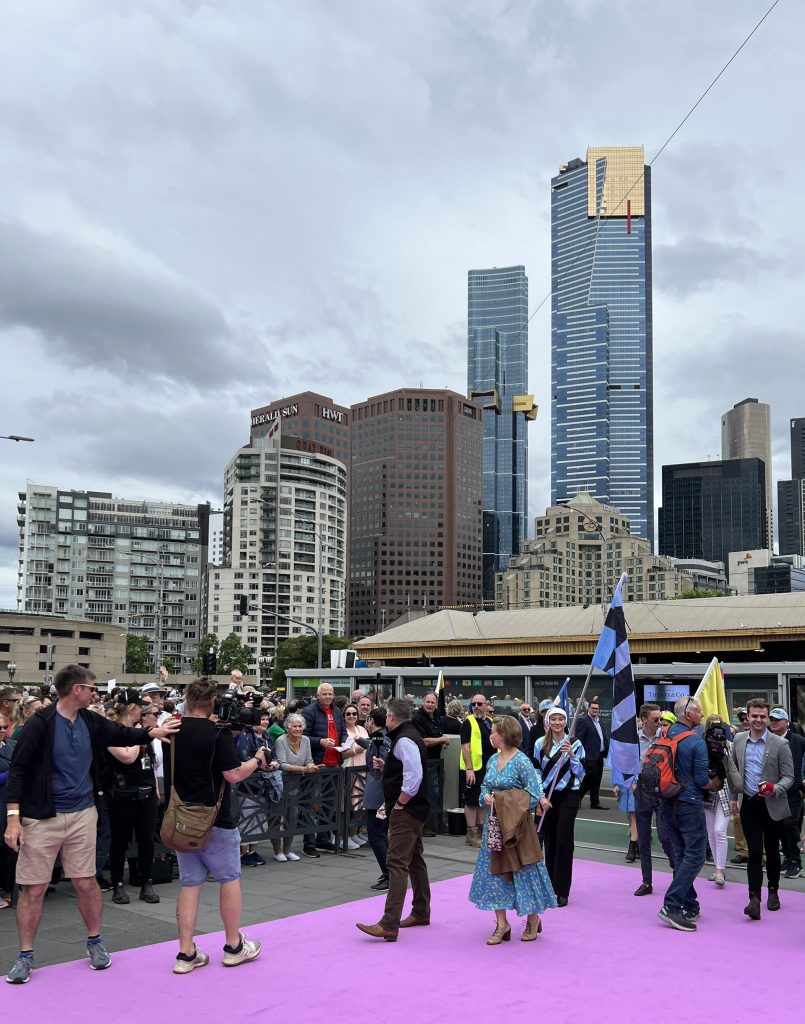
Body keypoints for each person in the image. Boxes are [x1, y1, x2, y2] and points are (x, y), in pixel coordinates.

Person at [3, 665, 179, 984]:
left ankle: (95, 942)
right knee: (34, 888)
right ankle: (25, 955)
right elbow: (18, 773)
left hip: (83, 813)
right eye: (90, 687)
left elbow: (119, 733)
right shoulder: (40, 725)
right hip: (42, 816)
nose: (94, 693)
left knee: (86, 882)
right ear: (76, 690)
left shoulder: (89, 720)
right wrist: (13, 819)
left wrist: (149, 733)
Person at [165, 676, 268, 974]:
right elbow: (234, 774)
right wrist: (257, 759)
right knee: (229, 879)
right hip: (216, 818)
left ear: (187, 699)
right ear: (212, 702)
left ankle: (185, 954)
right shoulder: (217, 733)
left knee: (189, 884)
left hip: (181, 819)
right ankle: (234, 946)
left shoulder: (172, 729)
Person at [468, 715, 556, 943]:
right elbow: (485, 785)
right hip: (494, 826)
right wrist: (486, 796)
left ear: (504, 735)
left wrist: (508, 800)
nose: (490, 735)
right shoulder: (491, 761)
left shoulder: (522, 761)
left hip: (517, 829)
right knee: (495, 873)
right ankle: (502, 924)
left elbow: (534, 792)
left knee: (524, 871)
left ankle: (533, 919)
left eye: (493, 732)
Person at [356, 699, 430, 941]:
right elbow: (409, 770)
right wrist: (388, 765)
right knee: (415, 860)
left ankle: (389, 923)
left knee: (397, 862)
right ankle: (421, 910)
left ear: (390, 717)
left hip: (406, 810)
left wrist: (400, 803)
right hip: (415, 809)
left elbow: (414, 776)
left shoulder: (404, 739)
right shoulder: (409, 735)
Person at [727, 697, 794, 920]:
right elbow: (734, 772)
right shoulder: (738, 740)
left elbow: (790, 777)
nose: (758, 720)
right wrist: (733, 798)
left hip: (772, 804)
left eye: (762, 716)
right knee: (754, 851)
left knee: (773, 850)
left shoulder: (780, 744)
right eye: (754, 716)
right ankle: (753, 898)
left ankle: (773, 890)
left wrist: (775, 787)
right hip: (749, 804)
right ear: (747, 716)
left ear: (767, 718)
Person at [657, 696, 710, 933]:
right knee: (695, 856)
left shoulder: (665, 735)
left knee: (680, 854)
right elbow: (701, 780)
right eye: (699, 711)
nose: (702, 715)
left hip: (668, 801)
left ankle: (690, 903)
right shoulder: (696, 742)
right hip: (689, 802)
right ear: (689, 715)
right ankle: (672, 904)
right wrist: (715, 783)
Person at [104, 692, 161, 906]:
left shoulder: (143, 733)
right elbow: (127, 757)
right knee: (120, 839)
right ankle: (118, 884)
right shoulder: (112, 731)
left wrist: (155, 786)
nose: (143, 711)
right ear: (131, 708)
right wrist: (139, 735)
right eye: (140, 707)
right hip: (122, 794)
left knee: (147, 838)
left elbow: (150, 761)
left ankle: (147, 881)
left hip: (146, 791)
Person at [536, 707, 585, 907]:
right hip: (548, 796)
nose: (557, 722)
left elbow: (581, 773)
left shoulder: (575, 743)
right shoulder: (540, 743)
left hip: (569, 795)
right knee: (549, 840)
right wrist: (540, 797)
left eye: (561, 719)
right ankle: (549, 886)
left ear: (566, 722)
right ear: (548, 721)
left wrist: (572, 756)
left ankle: (562, 890)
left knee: (564, 840)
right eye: (554, 719)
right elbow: (536, 771)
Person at [633, 703, 675, 896]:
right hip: (642, 790)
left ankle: (677, 873)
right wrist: (630, 783)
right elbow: (623, 761)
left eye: (661, 719)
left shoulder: (666, 737)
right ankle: (647, 881)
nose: (660, 723)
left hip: (663, 791)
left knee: (665, 836)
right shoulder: (633, 740)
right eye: (655, 719)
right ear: (643, 720)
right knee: (643, 838)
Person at [301, 683, 347, 855]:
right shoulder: (309, 711)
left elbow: (342, 731)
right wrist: (320, 741)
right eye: (325, 694)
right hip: (316, 762)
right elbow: (303, 736)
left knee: (329, 803)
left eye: (330, 694)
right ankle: (309, 843)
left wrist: (344, 741)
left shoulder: (336, 711)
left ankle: (323, 839)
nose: (328, 697)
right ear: (317, 695)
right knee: (309, 803)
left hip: (334, 762)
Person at [235, 709, 281, 865]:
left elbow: (274, 754)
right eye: (262, 719)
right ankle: (243, 853)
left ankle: (253, 850)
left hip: (264, 784)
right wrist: (261, 765)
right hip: (248, 785)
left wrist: (274, 763)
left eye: (267, 719)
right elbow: (244, 758)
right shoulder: (245, 736)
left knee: (259, 819)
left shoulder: (267, 736)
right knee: (246, 818)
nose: (265, 722)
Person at [274, 713, 318, 861]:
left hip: (296, 786)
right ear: (287, 727)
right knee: (275, 819)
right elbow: (282, 764)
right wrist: (304, 770)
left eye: (300, 726)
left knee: (292, 819)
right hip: (279, 786)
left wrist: (312, 766)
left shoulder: (305, 740)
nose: (298, 729)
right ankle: (277, 851)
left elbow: (309, 760)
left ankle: (287, 850)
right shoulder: (281, 740)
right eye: (294, 726)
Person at [357, 707, 391, 891]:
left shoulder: (382, 740)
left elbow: (384, 760)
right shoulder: (379, 737)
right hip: (377, 791)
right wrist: (358, 740)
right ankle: (389, 871)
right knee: (381, 834)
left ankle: (389, 873)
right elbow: (371, 744)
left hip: (378, 793)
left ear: (371, 721)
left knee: (376, 835)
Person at [768, 707, 805, 878]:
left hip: (794, 791)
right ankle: (789, 858)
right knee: (780, 827)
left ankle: (797, 861)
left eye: (777, 719)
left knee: (791, 826)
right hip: (775, 791)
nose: (773, 722)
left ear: (786, 722)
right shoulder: (769, 740)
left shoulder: (798, 740)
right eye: (772, 719)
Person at [413, 691, 451, 836]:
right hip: (424, 762)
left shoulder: (436, 716)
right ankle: (422, 825)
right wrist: (442, 739)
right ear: (423, 702)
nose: (429, 705)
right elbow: (424, 741)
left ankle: (432, 824)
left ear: (436, 705)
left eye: (432, 703)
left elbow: (437, 735)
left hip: (436, 763)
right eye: (427, 702)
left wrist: (442, 741)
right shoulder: (417, 718)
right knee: (425, 793)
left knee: (434, 793)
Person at [461, 694, 495, 848]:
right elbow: (465, 747)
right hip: (474, 768)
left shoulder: (488, 721)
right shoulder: (468, 721)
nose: (476, 706)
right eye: (473, 703)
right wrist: (469, 769)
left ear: (486, 705)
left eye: (479, 703)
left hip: (487, 767)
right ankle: (471, 835)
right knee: (471, 800)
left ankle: (481, 831)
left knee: (482, 800)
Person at [702, 715, 730, 888]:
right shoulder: (701, 746)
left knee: (720, 830)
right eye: (713, 727)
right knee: (711, 832)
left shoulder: (729, 747)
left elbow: (734, 771)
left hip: (726, 793)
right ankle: (718, 867)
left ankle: (720, 870)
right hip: (708, 791)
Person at [341, 704, 369, 850]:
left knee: (360, 803)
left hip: (363, 768)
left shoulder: (363, 729)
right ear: (344, 716)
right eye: (348, 714)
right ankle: (343, 835)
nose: (351, 716)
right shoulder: (342, 731)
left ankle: (354, 833)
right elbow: (342, 753)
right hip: (350, 768)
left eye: (354, 714)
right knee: (347, 804)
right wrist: (357, 750)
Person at [575, 700, 609, 809]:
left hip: (599, 756)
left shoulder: (599, 721)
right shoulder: (583, 721)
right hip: (589, 757)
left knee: (597, 779)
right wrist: (581, 756)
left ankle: (595, 802)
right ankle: (577, 798)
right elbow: (579, 740)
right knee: (589, 778)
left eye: (597, 708)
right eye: (593, 708)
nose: (595, 710)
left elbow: (602, 737)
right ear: (588, 708)